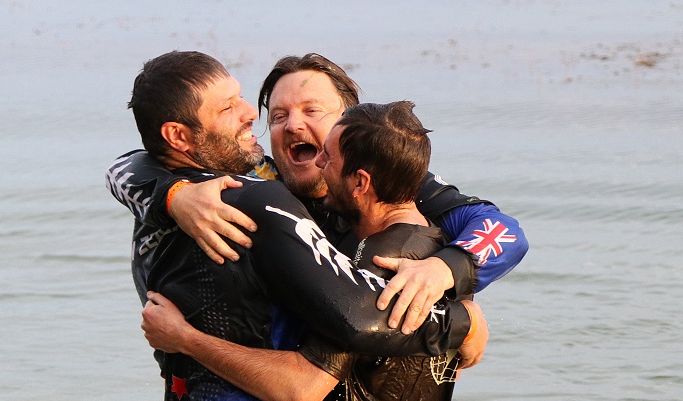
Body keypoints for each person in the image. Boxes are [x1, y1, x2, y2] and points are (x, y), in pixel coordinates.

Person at [116, 51, 483, 401]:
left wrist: (451, 280)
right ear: (179, 135)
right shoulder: (252, 202)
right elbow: (324, 362)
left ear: (355, 160)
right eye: (244, 108)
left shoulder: (174, 205)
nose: (253, 116)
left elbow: (129, 167)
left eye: (315, 114)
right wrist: (456, 315)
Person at [107, 53, 528, 336]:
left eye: (312, 111)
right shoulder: (254, 181)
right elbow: (127, 165)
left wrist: (446, 270)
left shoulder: (393, 184)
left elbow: (504, 231)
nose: (292, 126)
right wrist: (175, 195)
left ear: (352, 123)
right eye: (279, 115)